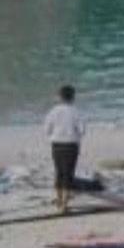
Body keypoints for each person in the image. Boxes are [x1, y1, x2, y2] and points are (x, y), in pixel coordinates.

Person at [43, 85, 86, 213]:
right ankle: (64, 205)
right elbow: (82, 130)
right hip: (71, 145)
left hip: (56, 144)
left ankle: (59, 199)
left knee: (59, 171)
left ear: (59, 97)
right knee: (68, 174)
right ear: (73, 97)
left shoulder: (53, 111)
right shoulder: (76, 111)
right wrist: (76, 136)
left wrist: (53, 136)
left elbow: (46, 129)